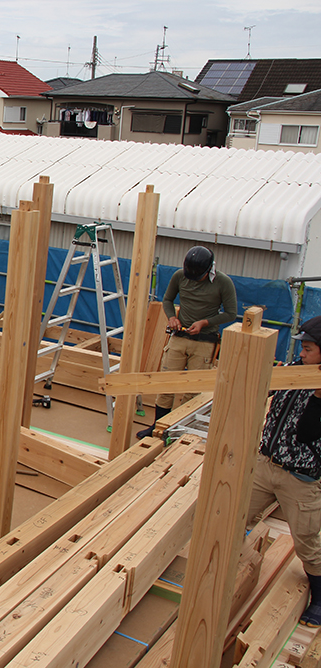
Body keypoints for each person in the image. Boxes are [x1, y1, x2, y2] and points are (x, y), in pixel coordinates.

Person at [245, 316, 321, 627]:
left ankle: (320, 596)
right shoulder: (294, 370)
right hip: (266, 464)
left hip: (300, 478)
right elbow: (264, 395)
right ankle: (233, 567)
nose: (302, 353)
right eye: (302, 347)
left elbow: (306, 433)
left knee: (306, 540)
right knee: (236, 516)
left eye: (309, 349)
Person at [136, 245, 237, 438]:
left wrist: (205, 323)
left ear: (209, 270)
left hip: (204, 342)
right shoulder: (180, 276)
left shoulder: (223, 282)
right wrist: (172, 317)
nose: (193, 280)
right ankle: (158, 427)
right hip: (179, 338)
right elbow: (167, 300)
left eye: (198, 277)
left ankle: (180, 433)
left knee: (192, 390)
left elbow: (231, 313)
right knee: (166, 384)